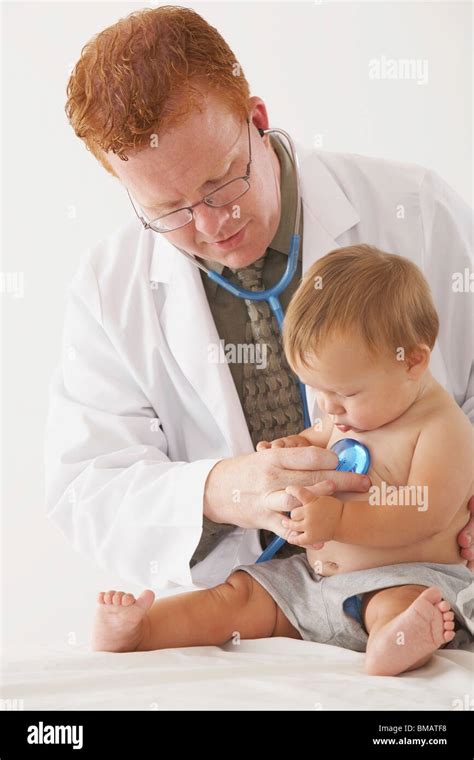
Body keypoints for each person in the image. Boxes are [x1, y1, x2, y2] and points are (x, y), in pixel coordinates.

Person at [45, 6, 474, 592]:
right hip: (248, 610)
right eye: (168, 210)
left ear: (257, 120)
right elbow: (86, 487)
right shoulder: (108, 287)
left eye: (222, 181)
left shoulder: (415, 209)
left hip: (423, 576)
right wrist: (222, 490)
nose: (211, 223)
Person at [92, 246, 473, 674]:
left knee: (395, 606)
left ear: (413, 362)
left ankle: (395, 641)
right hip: (311, 582)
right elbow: (319, 435)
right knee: (238, 594)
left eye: (344, 394)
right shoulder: (351, 407)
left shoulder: (442, 429)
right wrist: (293, 445)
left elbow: (424, 514)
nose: (330, 409)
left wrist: (342, 523)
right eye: (318, 392)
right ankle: (143, 629)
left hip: (401, 577)